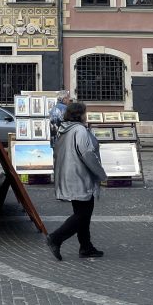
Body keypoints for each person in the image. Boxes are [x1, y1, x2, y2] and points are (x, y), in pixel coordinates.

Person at [45, 101, 107, 261]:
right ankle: (55, 238)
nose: (87, 115)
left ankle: (86, 247)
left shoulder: (64, 129)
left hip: (69, 175)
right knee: (83, 214)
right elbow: (87, 154)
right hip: (80, 176)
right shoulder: (79, 130)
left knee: (81, 213)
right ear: (79, 114)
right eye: (85, 112)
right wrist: (101, 174)